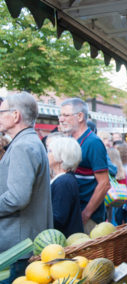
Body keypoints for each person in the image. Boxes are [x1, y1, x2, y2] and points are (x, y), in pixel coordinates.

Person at [0, 92, 53, 283]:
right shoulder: (29, 141)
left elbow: (17, 197)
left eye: (1, 112)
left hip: (18, 248)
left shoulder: (23, 145)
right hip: (23, 242)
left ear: (15, 115)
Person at [59, 98, 110, 234]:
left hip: (87, 219)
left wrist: (86, 214)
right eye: (60, 115)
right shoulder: (70, 140)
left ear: (80, 116)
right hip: (73, 215)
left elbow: (104, 184)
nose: (61, 119)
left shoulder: (93, 143)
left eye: (66, 115)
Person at [47, 136, 84, 237]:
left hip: (63, 242)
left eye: (50, 151)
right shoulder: (64, 179)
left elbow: (58, 219)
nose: (47, 154)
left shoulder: (64, 182)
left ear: (61, 157)